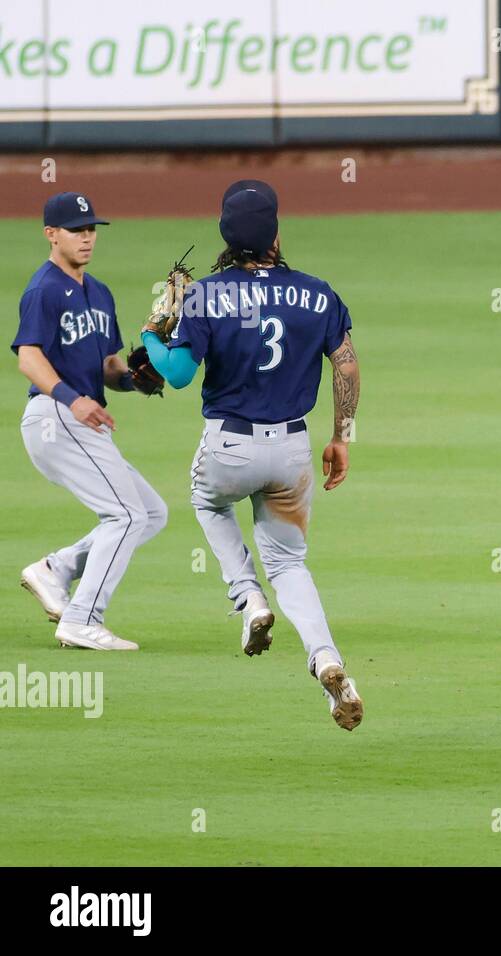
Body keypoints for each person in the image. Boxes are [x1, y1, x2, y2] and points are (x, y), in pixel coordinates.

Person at [142, 179, 363, 731]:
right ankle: (329, 662)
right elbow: (347, 365)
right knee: (289, 563)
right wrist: (342, 435)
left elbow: (176, 373)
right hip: (292, 451)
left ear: (226, 235)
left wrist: (151, 335)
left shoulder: (206, 294)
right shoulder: (317, 293)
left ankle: (248, 599)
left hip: (229, 446)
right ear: (276, 234)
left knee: (208, 503)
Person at [14, 191, 167, 650]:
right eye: (76, 230)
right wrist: (71, 398)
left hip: (81, 421)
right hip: (55, 417)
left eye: (90, 230)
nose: (86, 238)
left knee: (150, 513)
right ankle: (82, 617)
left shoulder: (99, 292)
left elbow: (107, 367)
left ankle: (56, 569)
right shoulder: (43, 289)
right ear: (51, 234)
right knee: (123, 514)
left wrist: (136, 380)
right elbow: (28, 357)